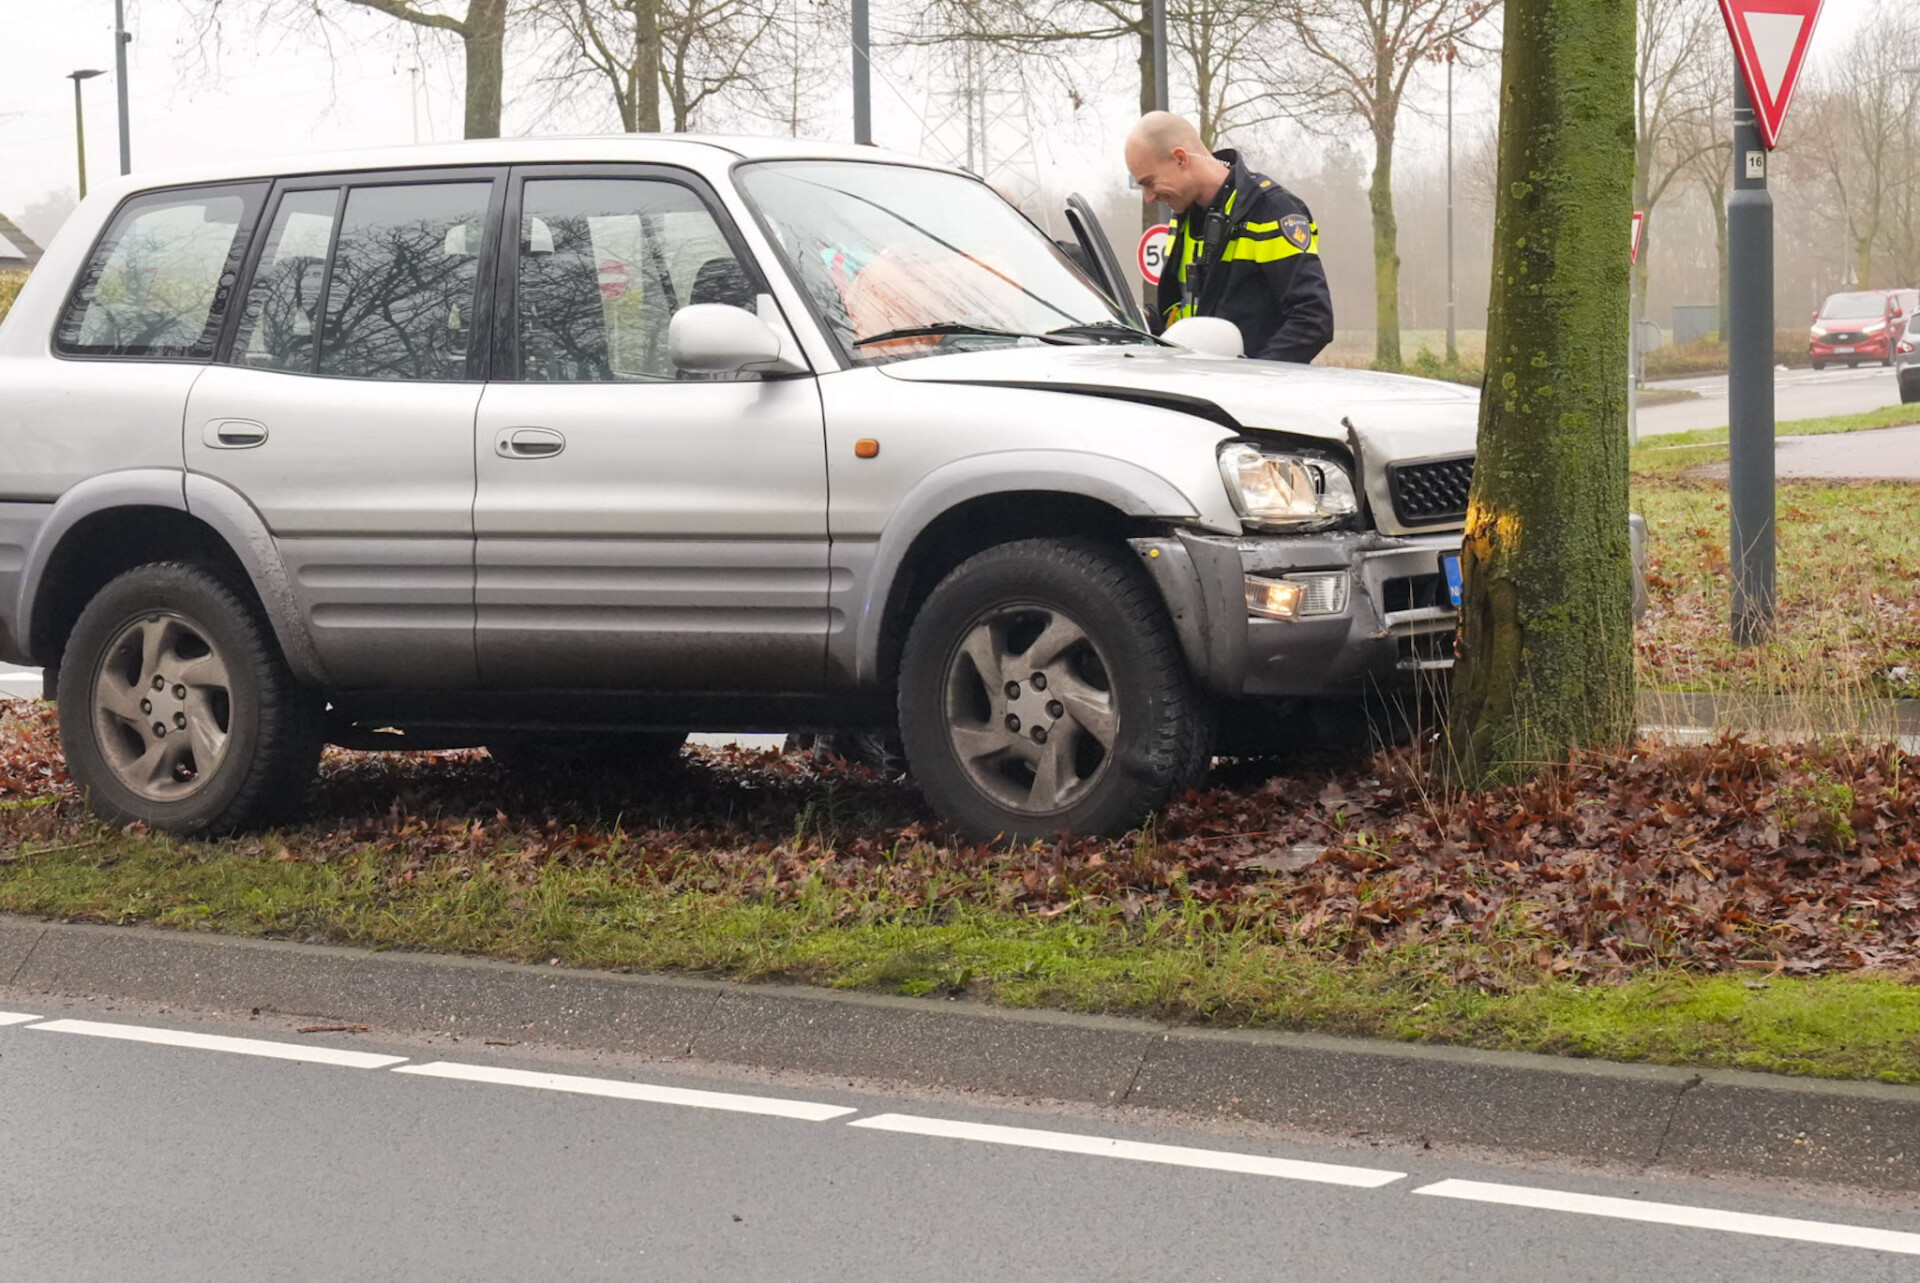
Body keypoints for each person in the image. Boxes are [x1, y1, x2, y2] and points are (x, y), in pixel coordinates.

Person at [1124, 111, 1334, 364]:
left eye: (1149, 182)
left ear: (1180, 159)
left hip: (1251, 396)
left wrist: (1254, 378)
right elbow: (1188, 312)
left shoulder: (1271, 211)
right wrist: (1140, 320)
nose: (1148, 197)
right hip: (1197, 387)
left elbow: (1312, 319)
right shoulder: (1183, 218)